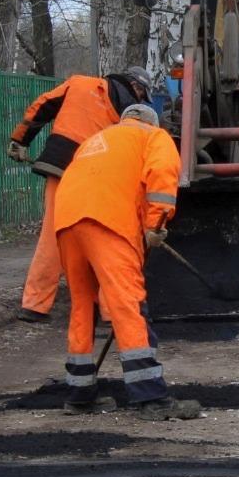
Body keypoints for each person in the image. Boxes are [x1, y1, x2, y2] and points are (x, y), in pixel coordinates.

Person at [51, 103, 200, 418]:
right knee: (127, 305)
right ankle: (151, 398)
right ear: (150, 121)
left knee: (82, 307)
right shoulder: (153, 136)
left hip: (66, 223)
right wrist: (155, 226)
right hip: (108, 222)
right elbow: (161, 176)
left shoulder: (98, 140)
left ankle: (79, 395)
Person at [7, 67, 152, 323]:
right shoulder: (131, 115)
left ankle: (34, 305)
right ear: (137, 88)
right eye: (142, 96)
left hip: (59, 165)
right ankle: (111, 313)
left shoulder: (79, 83)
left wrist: (20, 140)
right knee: (105, 240)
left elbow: (41, 106)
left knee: (53, 236)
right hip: (97, 179)